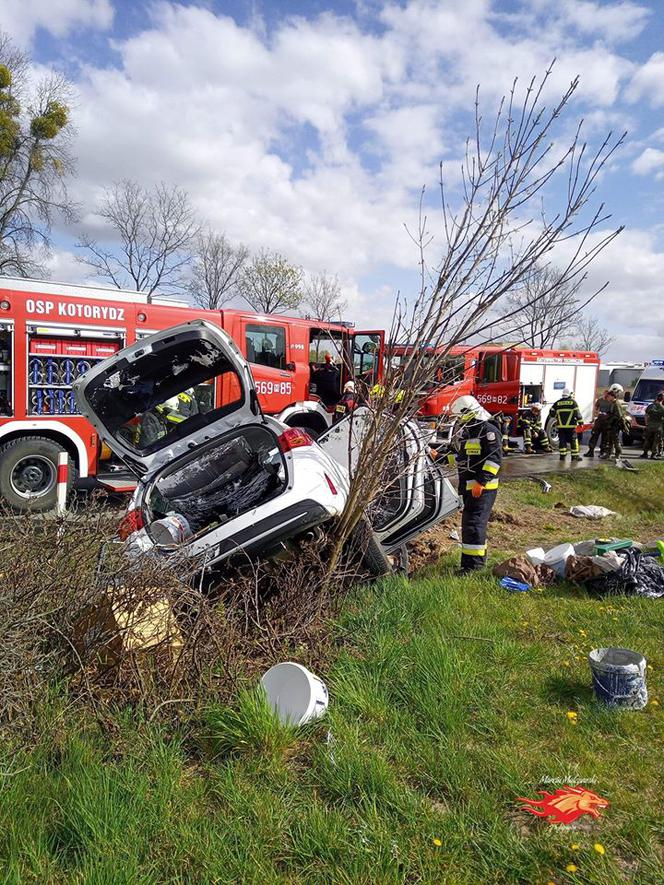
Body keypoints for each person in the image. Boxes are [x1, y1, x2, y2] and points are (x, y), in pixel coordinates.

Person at [448, 395, 502, 572]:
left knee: (475, 525)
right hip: (470, 488)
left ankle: (475, 567)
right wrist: (438, 456)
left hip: (483, 489)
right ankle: (468, 565)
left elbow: (494, 460)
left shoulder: (489, 431)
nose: (459, 420)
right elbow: (462, 458)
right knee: (469, 526)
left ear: (468, 412)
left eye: (460, 416)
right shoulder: (469, 432)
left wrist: (481, 481)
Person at [550, 388, 583, 462]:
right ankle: (574, 457)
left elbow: (551, 412)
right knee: (573, 440)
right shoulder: (573, 402)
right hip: (571, 426)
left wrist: (557, 417)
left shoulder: (557, 402)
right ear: (569, 394)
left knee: (562, 441)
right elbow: (577, 413)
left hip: (561, 426)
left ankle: (562, 456)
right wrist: (581, 422)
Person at [600, 385, 628, 460]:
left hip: (615, 425)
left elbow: (619, 416)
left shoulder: (616, 404)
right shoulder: (612, 403)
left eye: (609, 396)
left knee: (615, 441)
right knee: (609, 440)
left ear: (612, 396)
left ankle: (617, 454)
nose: (607, 398)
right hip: (611, 425)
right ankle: (608, 454)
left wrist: (611, 419)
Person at [585, 390, 611, 458]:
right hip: (599, 421)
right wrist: (594, 419)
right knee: (594, 436)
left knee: (605, 438)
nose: (605, 395)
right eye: (605, 394)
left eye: (607, 394)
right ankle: (591, 451)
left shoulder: (611, 402)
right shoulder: (600, 400)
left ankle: (602, 452)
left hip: (607, 422)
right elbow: (596, 409)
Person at [641, 392, 664, 459]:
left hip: (649, 426)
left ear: (657, 398)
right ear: (662, 399)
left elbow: (646, 415)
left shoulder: (650, 406)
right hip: (658, 427)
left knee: (647, 440)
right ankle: (653, 454)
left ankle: (645, 453)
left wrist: (647, 423)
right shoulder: (662, 408)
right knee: (656, 441)